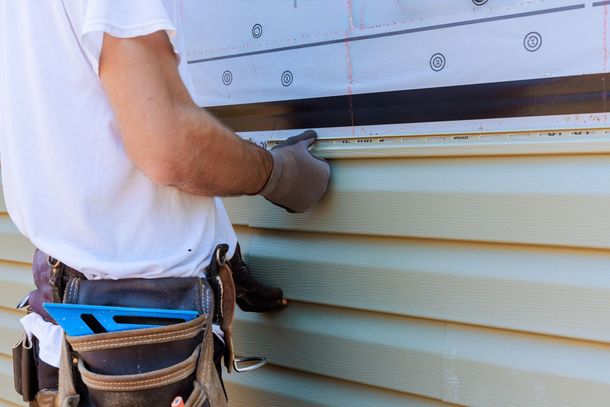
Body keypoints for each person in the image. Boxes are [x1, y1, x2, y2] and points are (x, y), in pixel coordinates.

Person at [0, 1, 330, 405]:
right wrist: (278, 175)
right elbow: (167, 143)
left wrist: (211, 240)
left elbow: (80, 137)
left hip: (68, 342)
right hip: (143, 363)